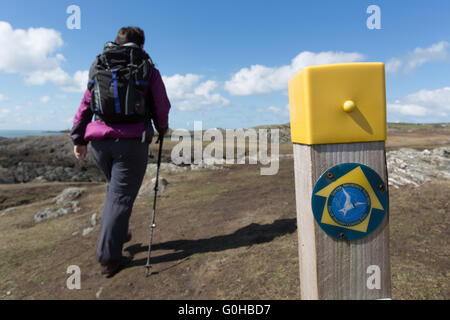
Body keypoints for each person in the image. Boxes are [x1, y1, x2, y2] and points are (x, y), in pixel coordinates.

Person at [71, 26, 171, 277]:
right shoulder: (147, 68)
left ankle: (119, 230)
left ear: (115, 43)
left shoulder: (100, 66)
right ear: (142, 44)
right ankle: (109, 258)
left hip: (100, 143)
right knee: (120, 196)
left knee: (116, 193)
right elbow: (161, 104)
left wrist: (78, 138)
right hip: (132, 142)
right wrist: (161, 128)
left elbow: (85, 104)